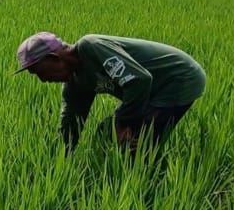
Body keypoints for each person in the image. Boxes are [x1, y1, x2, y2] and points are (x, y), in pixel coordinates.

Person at [14, 31, 206, 154]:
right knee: (107, 134)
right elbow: (71, 121)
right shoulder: (75, 82)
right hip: (151, 90)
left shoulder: (91, 47)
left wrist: (124, 122)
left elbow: (139, 80)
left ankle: (144, 187)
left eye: (40, 72)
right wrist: (59, 157)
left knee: (137, 143)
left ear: (54, 58)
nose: (43, 80)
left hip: (178, 79)